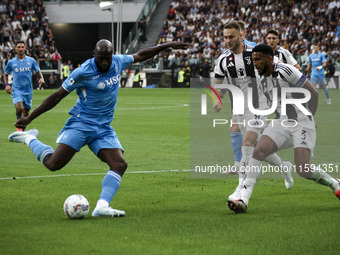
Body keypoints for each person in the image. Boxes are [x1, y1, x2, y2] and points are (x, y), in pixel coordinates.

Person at [8, 39, 187, 218]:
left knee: (119, 164)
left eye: (107, 58)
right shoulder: (83, 72)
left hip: (103, 127)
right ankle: (30, 138)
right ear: (94, 54)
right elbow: (57, 96)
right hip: (82, 123)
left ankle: (101, 207)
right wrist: (29, 117)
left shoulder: (117, 61)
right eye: (101, 58)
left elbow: (141, 55)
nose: (105, 62)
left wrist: (168, 45)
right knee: (53, 164)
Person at [227, 44, 340, 213]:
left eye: (258, 59)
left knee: (302, 169)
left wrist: (310, 117)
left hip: (302, 121)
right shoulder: (261, 80)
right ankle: (243, 198)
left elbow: (313, 94)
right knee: (259, 150)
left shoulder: (286, 71)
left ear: (269, 59)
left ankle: (334, 183)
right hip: (281, 121)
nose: (255, 63)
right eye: (253, 60)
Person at [213, 22, 293, 204]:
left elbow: (278, 70)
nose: (228, 41)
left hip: (260, 105)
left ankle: (241, 189)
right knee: (257, 146)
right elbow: (218, 83)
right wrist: (216, 100)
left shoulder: (256, 53)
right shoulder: (223, 60)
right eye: (225, 37)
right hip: (239, 108)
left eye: (231, 36)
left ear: (242, 35)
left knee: (247, 142)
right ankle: (284, 166)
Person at [4, 40, 45, 131]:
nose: (21, 49)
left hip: (28, 90)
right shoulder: (11, 62)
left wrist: (41, 78)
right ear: (15, 48)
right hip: (16, 90)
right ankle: (18, 120)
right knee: (19, 108)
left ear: (25, 48)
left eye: (22, 47)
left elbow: (38, 71)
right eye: (18, 47)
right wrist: (7, 84)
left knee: (26, 112)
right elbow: (5, 74)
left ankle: (21, 129)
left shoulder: (31, 60)